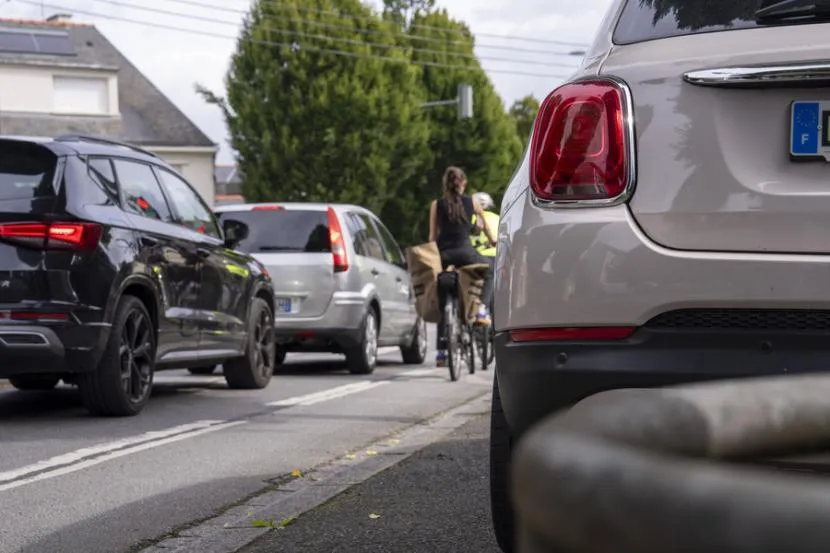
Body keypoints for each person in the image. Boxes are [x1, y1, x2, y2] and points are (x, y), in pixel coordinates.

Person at [428, 166, 496, 367]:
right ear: (463, 183)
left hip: (444, 255)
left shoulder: (436, 205)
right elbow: (485, 229)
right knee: (489, 271)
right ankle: (482, 308)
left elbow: (432, 236)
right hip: (467, 254)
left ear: (444, 184)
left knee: (444, 297)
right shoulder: (473, 202)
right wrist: (492, 241)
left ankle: (441, 352)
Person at [470, 191, 499, 313]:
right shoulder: (498, 218)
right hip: (497, 258)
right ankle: (485, 309)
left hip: (476, 257)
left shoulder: (471, 217)